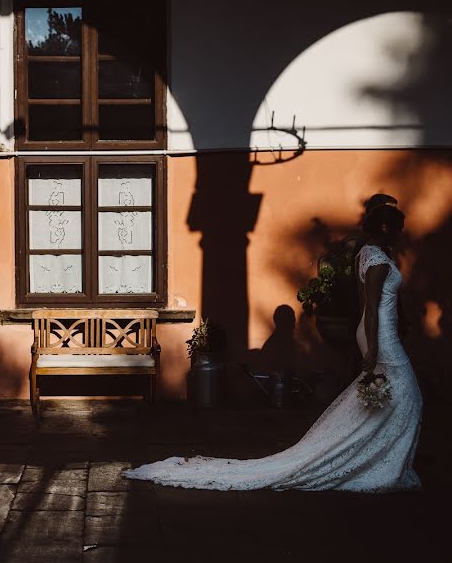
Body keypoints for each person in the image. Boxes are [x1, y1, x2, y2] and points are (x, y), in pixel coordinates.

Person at [123, 203, 423, 492]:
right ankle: (377, 458)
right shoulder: (377, 260)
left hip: (379, 330)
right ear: (386, 228)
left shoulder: (370, 253)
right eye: (398, 228)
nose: (400, 234)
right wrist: (370, 348)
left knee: (391, 393)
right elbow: (369, 308)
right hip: (380, 333)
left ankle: (377, 455)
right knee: (406, 391)